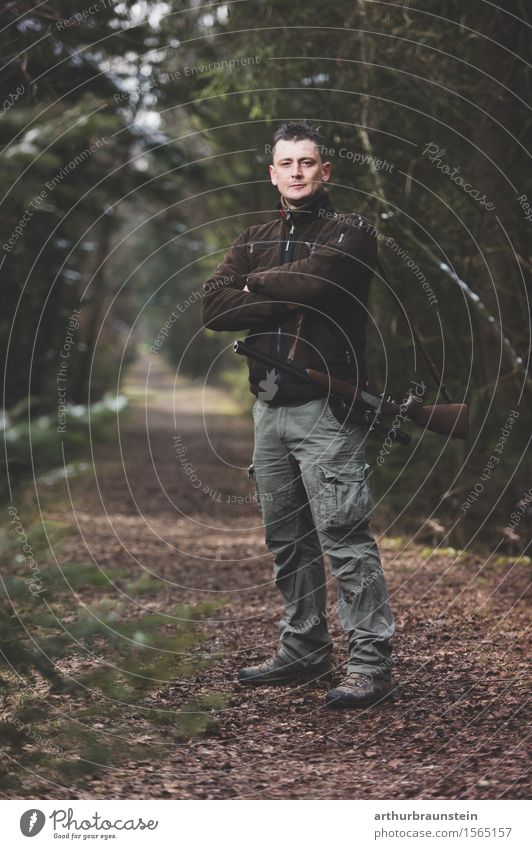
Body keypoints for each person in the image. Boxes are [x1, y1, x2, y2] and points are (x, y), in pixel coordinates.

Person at [201, 120, 395, 708]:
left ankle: (369, 662)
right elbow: (214, 304)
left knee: (344, 533)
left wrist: (254, 286)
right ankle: (304, 650)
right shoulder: (254, 234)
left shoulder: (352, 231)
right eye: (286, 164)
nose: (297, 172)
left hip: (326, 408)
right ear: (273, 173)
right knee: (287, 538)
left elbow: (319, 285)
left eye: (306, 163)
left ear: (324, 170)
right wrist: (277, 287)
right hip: (269, 408)